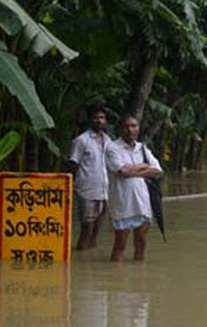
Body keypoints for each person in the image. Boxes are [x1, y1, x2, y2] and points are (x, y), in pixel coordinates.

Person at [105, 115, 163, 261]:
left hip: (143, 203)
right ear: (120, 129)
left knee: (141, 243)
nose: (130, 130)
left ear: (138, 128)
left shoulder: (142, 148)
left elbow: (157, 170)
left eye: (134, 126)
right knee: (120, 245)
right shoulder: (112, 148)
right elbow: (123, 172)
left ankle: (139, 276)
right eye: (127, 126)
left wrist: (133, 170)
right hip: (123, 204)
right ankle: (116, 278)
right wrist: (144, 166)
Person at [69, 105, 112, 251]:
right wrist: (70, 186)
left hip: (103, 190)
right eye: (95, 118)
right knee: (87, 226)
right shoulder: (81, 140)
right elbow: (73, 164)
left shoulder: (108, 140)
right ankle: (81, 252)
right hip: (86, 189)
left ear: (105, 120)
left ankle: (90, 256)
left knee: (97, 228)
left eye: (101, 118)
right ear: (90, 120)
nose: (99, 121)